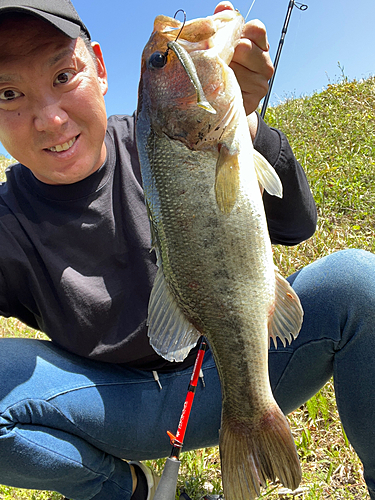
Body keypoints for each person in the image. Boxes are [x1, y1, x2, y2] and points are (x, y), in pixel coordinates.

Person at [0, 0, 374, 499]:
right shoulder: (7, 220)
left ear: (100, 68)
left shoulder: (164, 137)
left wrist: (250, 127)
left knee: (358, 281)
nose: (48, 118)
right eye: (8, 93)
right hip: (118, 409)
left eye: (63, 75)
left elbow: (298, 225)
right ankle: (123, 489)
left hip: (235, 369)